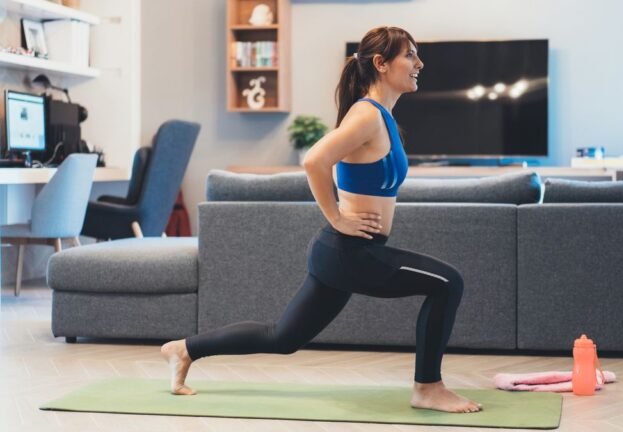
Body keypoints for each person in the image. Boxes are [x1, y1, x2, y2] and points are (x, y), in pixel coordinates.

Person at [161, 26, 482, 414]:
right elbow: (314, 160)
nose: (420, 63)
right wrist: (337, 217)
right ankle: (427, 387)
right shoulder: (366, 115)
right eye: (410, 55)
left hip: (343, 253)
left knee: (283, 338)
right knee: (449, 283)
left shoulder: (381, 117)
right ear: (381, 64)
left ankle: (184, 350)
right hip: (349, 251)